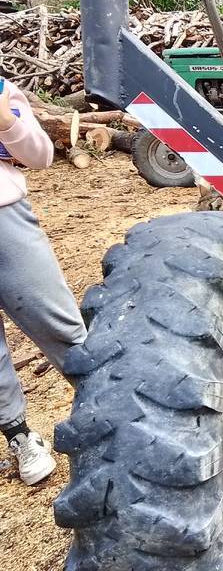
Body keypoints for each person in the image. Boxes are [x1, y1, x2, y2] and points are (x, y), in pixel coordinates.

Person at [0, 76, 86, 485]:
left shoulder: (1, 90)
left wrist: (4, 121)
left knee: (58, 320)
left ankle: (111, 411)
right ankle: (19, 436)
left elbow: (40, 155)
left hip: (5, 221)